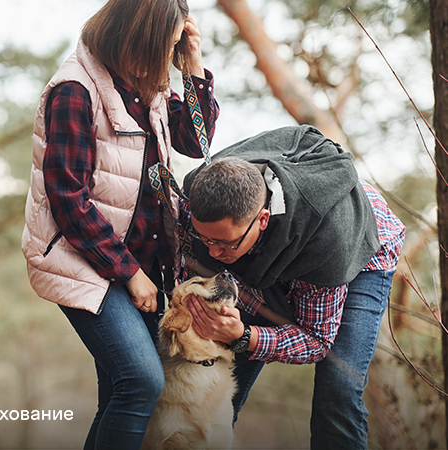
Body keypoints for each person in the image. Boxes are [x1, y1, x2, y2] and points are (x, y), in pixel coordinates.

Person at [21, 0, 220, 448]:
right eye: (167, 47)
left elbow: (196, 139)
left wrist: (193, 65)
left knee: (118, 393)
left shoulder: (147, 83)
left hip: (143, 264)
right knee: (142, 382)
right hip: (84, 260)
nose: (169, 57)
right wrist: (130, 274)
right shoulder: (75, 89)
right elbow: (67, 198)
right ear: (140, 36)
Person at [181, 125, 405, 450]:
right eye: (206, 239)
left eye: (224, 243)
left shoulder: (328, 248)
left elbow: (316, 340)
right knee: (215, 377)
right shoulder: (199, 193)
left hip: (362, 247)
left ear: (261, 219)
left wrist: (243, 335)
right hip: (271, 248)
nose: (214, 253)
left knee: (337, 387)